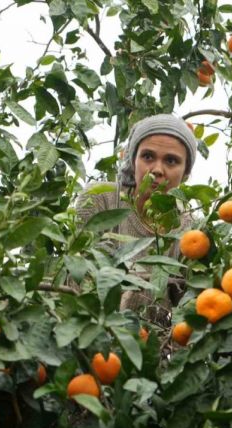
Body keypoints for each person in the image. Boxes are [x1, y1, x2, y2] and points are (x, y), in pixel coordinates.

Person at [75, 114, 198, 322]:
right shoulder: (101, 200)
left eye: (171, 160)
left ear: (185, 173)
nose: (158, 170)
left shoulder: (190, 231)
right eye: (148, 157)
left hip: (147, 346)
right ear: (133, 161)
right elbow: (76, 277)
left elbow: (186, 313)